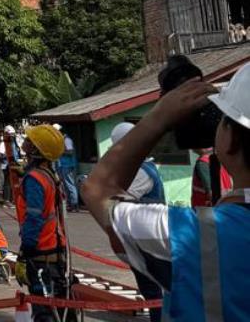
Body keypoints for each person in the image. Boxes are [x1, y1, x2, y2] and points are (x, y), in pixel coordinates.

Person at [82, 67, 250, 321]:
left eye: (224, 118)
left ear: (232, 139)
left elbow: (97, 190)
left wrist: (158, 117)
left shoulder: (193, 234)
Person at [15, 124, 75, 322]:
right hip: (55, 251)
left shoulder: (34, 179)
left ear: (36, 149)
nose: (25, 142)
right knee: (61, 306)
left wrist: (25, 252)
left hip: (42, 253)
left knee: (45, 312)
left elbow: (34, 218)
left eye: (29, 140)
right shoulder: (49, 174)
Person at [110, 122, 165, 322]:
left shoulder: (142, 172)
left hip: (148, 240)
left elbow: (116, 199)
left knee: (154, 291)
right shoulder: (138, 168)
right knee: (151, 289)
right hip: (143, 238)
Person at [55, 123, 80, 212]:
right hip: (63, 165)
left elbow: (70, 152)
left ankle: (74, 204)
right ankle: (70, 204)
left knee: (70, 185)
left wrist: (60, 152)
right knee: (66, 185)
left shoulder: (67, 140)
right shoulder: (62, 140)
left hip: (68, 165)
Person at [0, 125, 21, 202]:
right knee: (7, 182)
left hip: (12, 164)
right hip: (6, 165)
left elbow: (16, 153)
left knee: (12, 182)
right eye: (10, 134)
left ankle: (12, 199)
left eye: (12, 134)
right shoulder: (3, 143)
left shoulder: (13, 143)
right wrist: (7, 157)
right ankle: (6, 200)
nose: (12, 136)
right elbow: (0, 155)